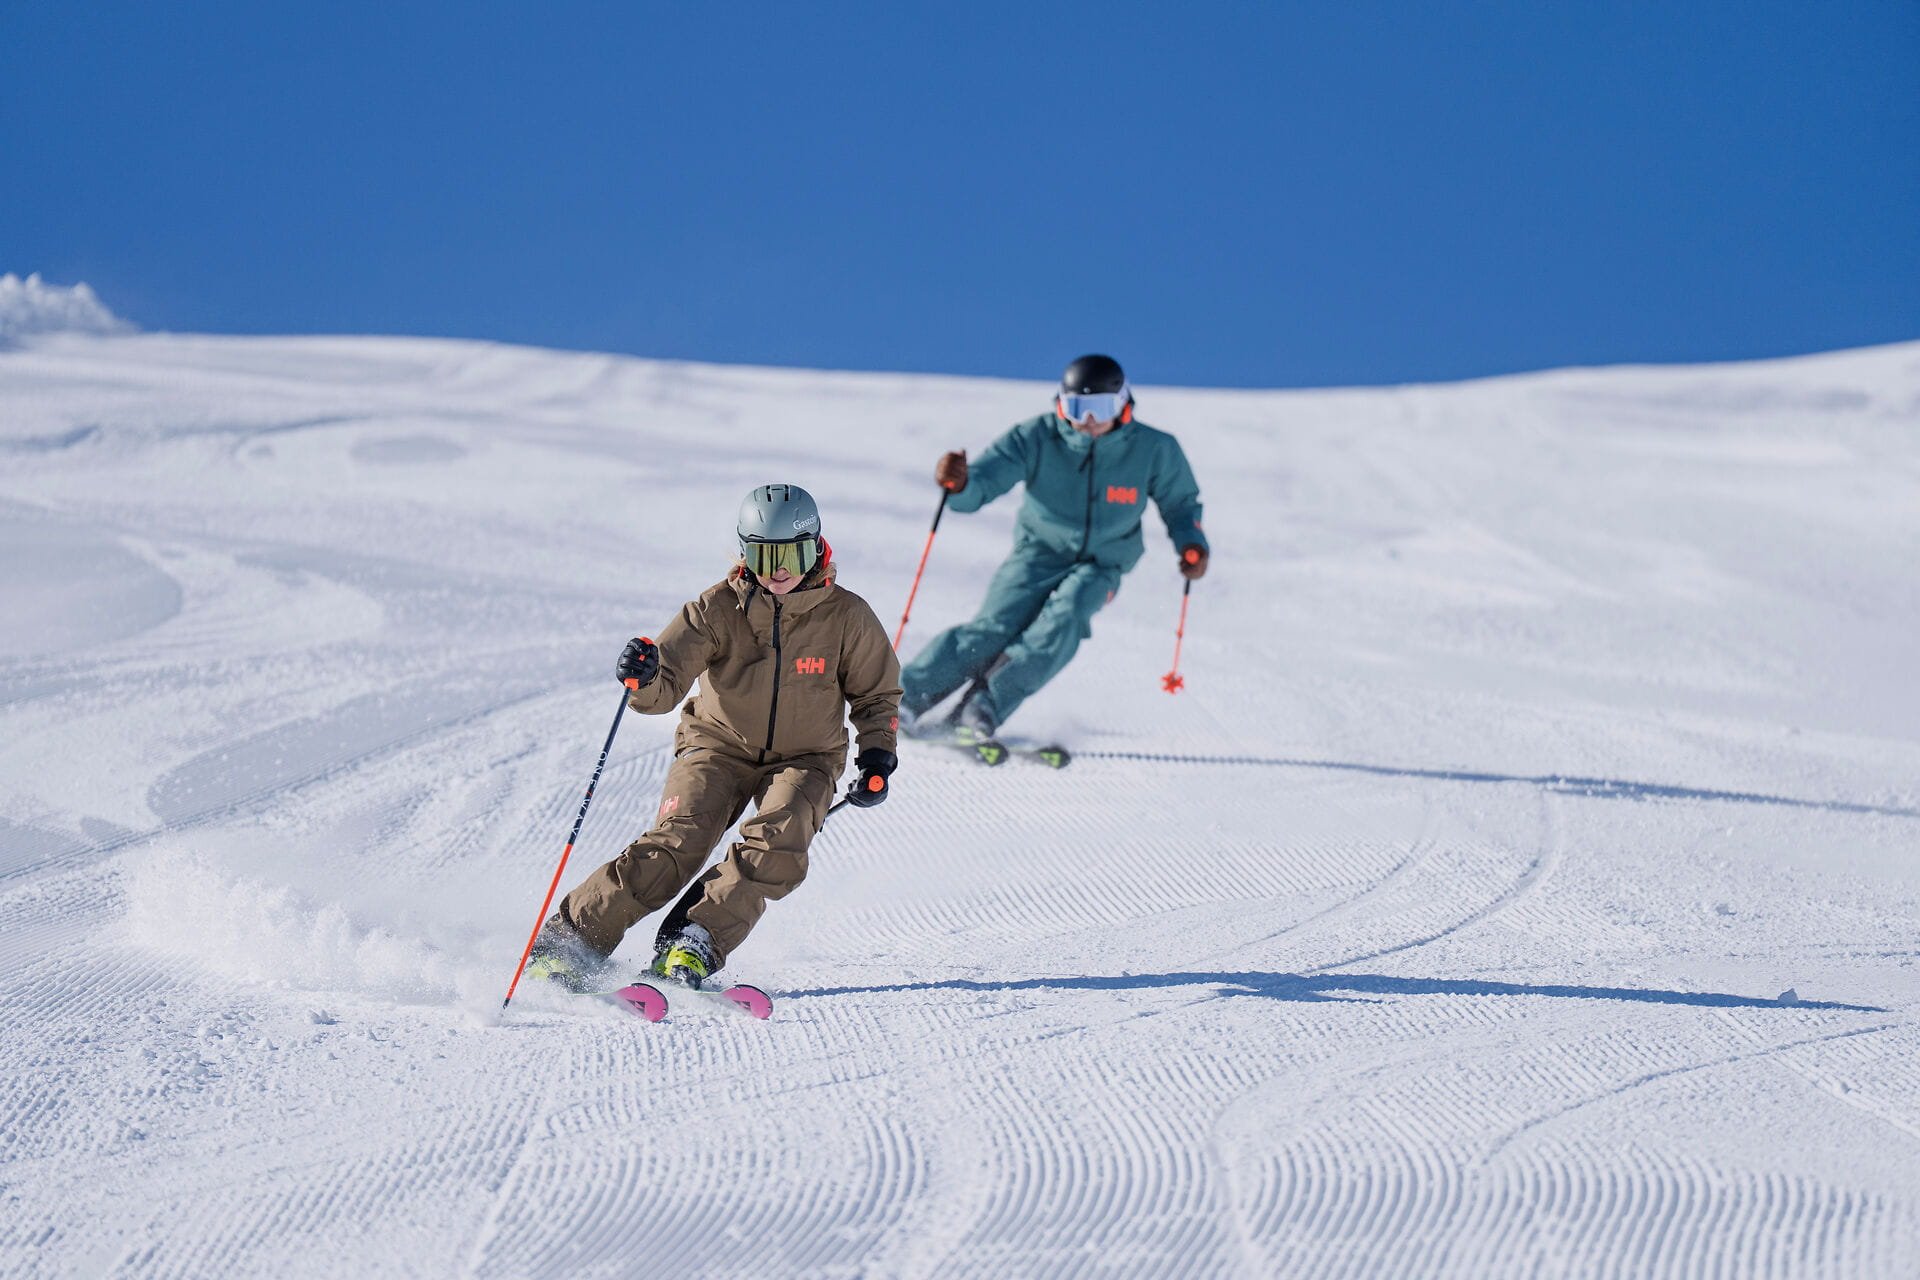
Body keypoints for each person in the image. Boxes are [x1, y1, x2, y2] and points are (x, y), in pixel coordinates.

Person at [528, 483, 901, 990]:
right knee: (677, 842)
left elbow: (877, 695)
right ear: (746, 555)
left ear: (817, 547)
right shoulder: (717, 608)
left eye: (792, 552)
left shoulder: (847, 616)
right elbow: (662, 688)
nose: (780, 569)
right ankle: (570, 941)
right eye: (765, 556)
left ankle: (696, 938)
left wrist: (877, 755)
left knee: (779, 839)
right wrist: (643, 675)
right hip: (717, 746)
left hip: (807, 758)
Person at [899, 354, 1208, 741]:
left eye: (1100, 408)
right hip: (1038, 552)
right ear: (1062, 404)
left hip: (1104, 563)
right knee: (992, 629)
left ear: (1123, 403)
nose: (1089, 420)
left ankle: (984, 705)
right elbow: (982, 483)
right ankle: (905, 700)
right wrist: (961, 485)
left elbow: (1181, 504)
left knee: (1067, 617)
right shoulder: (1036, 437)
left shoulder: (1154, 449)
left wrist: (1191, 543)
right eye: (1078, 407)